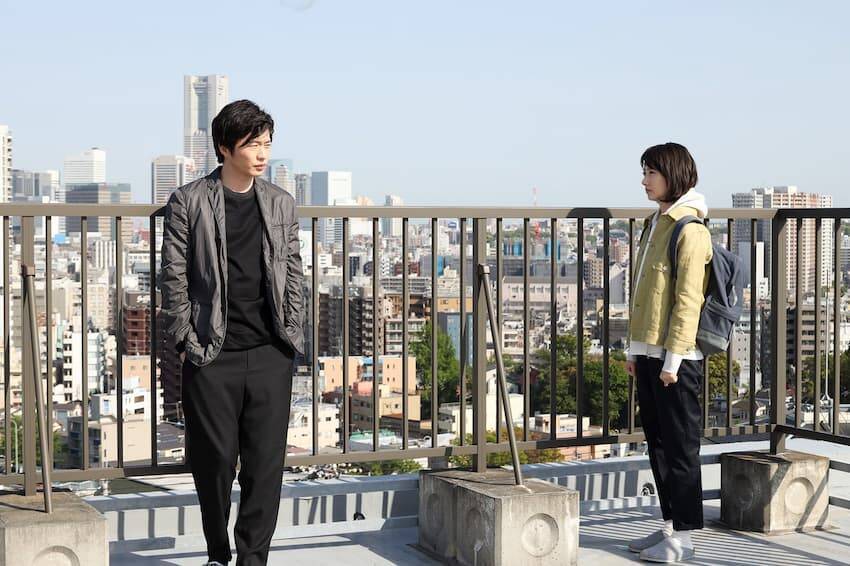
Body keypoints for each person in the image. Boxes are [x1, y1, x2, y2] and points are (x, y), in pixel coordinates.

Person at [160, 99, 304, 566]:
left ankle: (252, 559)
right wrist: (186, 340)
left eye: (267, 144)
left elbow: (294, 274)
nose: (262, 154)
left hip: (270, 351)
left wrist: (291, 335)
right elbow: (173, 278)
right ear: (225, 147)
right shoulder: (189, 201)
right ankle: (217, 553)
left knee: (265, 466)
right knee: (215, 462)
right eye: (252, 144)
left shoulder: (280, 202)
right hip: (210, 352)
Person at [625, 142, 712, 563]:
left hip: (675, 359)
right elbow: (643, 291)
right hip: (649, 352)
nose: (644, 181)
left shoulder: (690, 229)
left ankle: (686, 538)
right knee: (657, 445)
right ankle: (669, 526)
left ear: (672, 175)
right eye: (644, 172)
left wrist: (672, 361)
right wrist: (634, 349)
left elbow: (688, 300)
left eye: (651, 173)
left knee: (680, 449)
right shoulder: (655, 223)